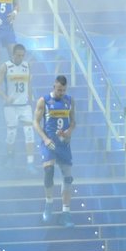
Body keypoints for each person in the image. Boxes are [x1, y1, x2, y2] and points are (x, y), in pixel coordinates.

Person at [34, 76, 77, 225]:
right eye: (59, 90)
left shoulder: (69, 101)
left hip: (63, 144)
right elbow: (35, 123)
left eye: (64, 90)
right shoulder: (44, 101)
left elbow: (73, 122)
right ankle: (48, 204)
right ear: (54, 86)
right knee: (49, 171)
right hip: (49, 142)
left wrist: (68, 132)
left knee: (68, 178)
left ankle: (66, 213)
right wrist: (45, 139)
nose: (61, 92)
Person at [0, 42, 35, 168]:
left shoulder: (27, 66)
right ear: (13, 54)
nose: (20, 58)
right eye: (18, 55)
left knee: (29, 132)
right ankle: (9, 156)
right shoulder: (5, 67)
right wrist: (5, 98)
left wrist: (30, 99)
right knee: (11, 134)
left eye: (22, 55)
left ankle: (30, 163)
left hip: (24, 105)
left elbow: (29, 84)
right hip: (11, 107)